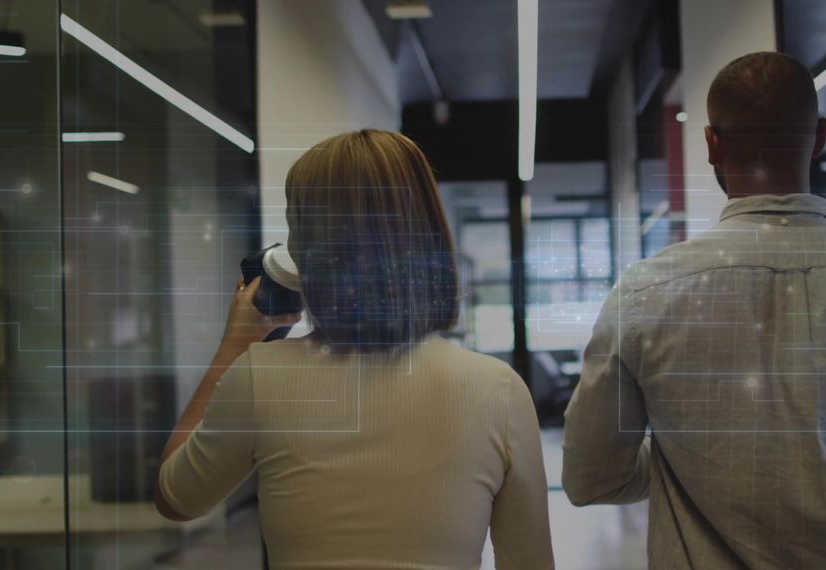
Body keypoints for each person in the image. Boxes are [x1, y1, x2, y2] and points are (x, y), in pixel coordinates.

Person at [562, 52, 826, 569]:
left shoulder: (644, 295)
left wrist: (686, 455)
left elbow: (590, 477)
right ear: (819, 136)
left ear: (711, 143)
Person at [156, 130, 554, 570]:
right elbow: (530, 562)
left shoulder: (259, 376)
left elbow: (176, 498)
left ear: (306, 252)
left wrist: (234, 346)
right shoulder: (498, 390)